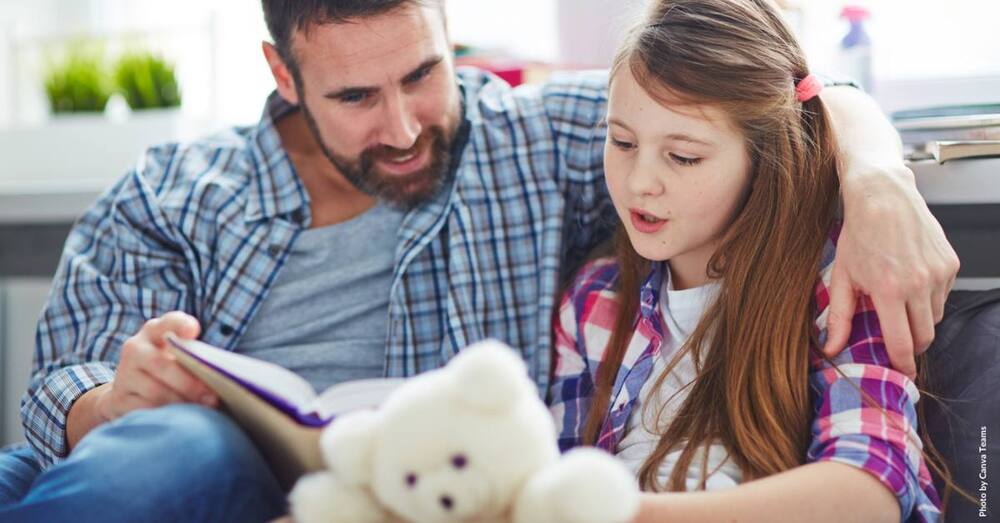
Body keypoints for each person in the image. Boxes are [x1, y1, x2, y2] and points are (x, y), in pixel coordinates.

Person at [0, 0, 958, 521]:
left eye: (422, 72)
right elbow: (60, 384)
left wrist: (877, 178)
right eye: (356, 98)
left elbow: (769, 89)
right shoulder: (178, 191)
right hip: (202, 472)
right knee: (159, 451)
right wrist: (109, 401)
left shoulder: (537, 136)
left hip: (424, 489)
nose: (408, 125)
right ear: (283, 75)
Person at [549, 0, 947, 521]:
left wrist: (620, 514)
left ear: (761, 158)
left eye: (683, 156)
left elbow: (871, 489)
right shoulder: (594, 299)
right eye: (621, 141)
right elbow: (558, 477)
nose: (639, 181)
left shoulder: (836, 283)